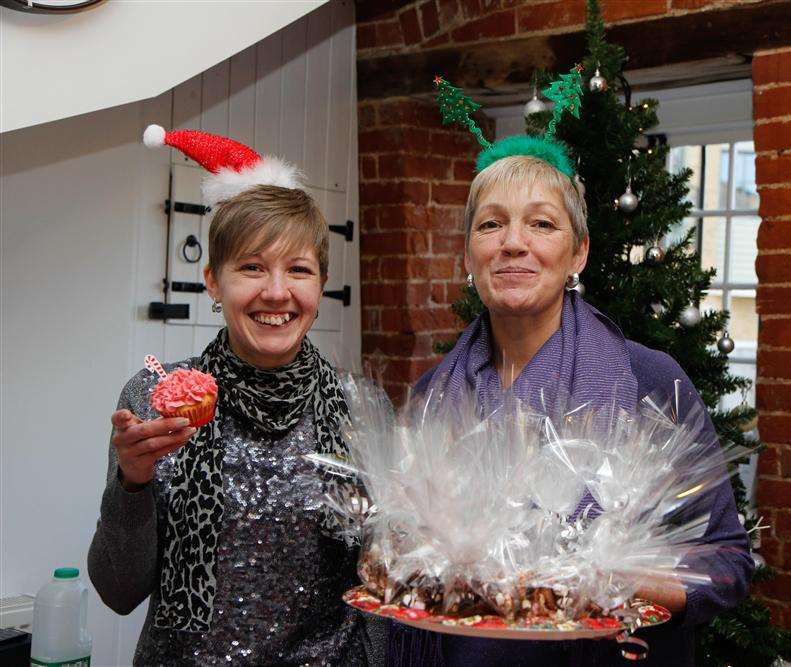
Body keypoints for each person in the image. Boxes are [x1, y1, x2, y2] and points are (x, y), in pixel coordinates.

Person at [387, 150, 753, 666]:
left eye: (541, 223)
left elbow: (727, 563)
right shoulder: (430, 400)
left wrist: (615, 577)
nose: (514, 243)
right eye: (492, 224)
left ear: (578, 253)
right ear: (468, 256)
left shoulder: (650, 383)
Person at [87, 127, 382, 665]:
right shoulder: (156, 398)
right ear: (213, 283)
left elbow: (378, 588)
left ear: (320, 286)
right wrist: (131, 486)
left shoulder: (357, 409)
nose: (276, 291)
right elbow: (117, 591)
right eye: (251, 267)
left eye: (298, 269)